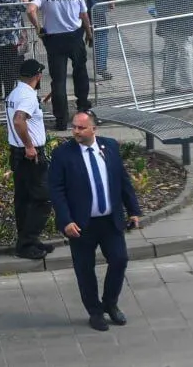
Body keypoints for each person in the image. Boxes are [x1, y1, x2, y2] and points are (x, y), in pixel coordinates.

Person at [48, 111, 142, 332]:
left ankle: (110, 303)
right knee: (85, 269)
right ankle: (95, 311)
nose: (76, 132)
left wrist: (133, 210)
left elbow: (122, 180)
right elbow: (56, 191)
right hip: (81, 225)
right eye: (74, 127)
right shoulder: (63, 154)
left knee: (119, 260)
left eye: (81, 128)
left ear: (94, 129)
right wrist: (65, 221)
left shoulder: (109, 147)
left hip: (110, 221)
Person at [30, 0, 92, 132]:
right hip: (74, 36)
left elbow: (30, 10)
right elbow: (83, 14)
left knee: (58, 80)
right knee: (80, 72)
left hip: (54, 39)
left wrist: (38, 29)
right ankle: (83, 108)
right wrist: (89, 32)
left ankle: (61, 120)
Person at [5, 58, 54, 260]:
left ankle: (28, 240)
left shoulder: (16, 92)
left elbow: (24, 113)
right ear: (38, 76)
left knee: (24, 199)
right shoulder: (27, 96)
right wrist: (29, 146)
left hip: (17, 153)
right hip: (30, 154)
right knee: (43, 199)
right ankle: (27, 243)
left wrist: (41, 102)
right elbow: (19, 120)